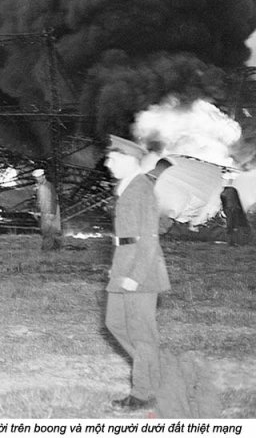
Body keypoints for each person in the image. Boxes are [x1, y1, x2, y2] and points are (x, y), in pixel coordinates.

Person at [104, 134, 171, 411]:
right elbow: (125, 238)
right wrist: (117, 267)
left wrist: (135, 275)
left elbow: (149, 238)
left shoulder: (142, 188)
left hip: (141, 273)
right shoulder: (127, 186)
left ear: (130, 160)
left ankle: (143, 392)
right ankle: (153, 370)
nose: (108, 163)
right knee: (114, 323)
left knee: (142, 335)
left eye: (113, 158)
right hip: (124, 266)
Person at [33, 168, 63, 251]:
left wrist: (52, 213)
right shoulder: (41, 187)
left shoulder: (48, 186)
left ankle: (47, 250)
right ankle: (53, 249)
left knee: (48, 231)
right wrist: (37, 211)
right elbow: (39, 201)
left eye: (39, 177)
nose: (38, 179)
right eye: (36, 178)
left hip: (50, 211)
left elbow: (53, 200)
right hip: (45, 211)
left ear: (43, 176)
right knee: (49, 230)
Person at [220, 177, 251, 247]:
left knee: (230, 226)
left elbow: (223, 205)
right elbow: (238, 200)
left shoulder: (223, 193)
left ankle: (231, 242)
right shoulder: (233, 190)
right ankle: (236, 242)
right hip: (235, 209)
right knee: (235, 226)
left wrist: (225, 212)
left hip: (229, 210)